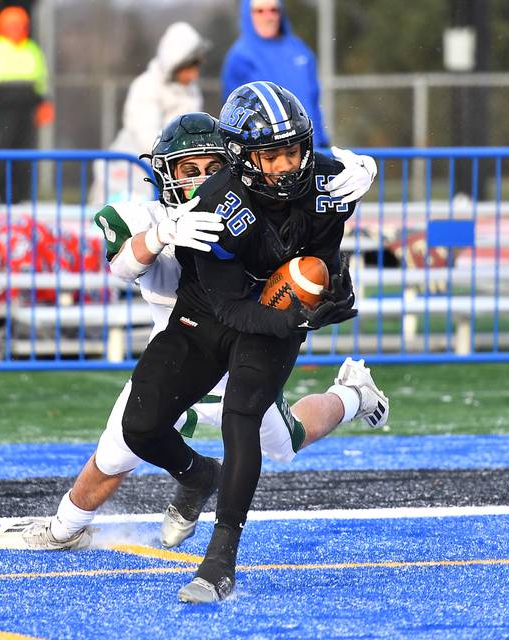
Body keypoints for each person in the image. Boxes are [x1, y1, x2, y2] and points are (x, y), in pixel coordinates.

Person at [0, 111, 387, 557]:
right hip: (182, 348)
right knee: (121, 444)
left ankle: (353, 394)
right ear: (166, 174)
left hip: (243, 342)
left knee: (283, 443)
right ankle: (69, 526)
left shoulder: (253, 204)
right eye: (190, 170)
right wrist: (162, 234)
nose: (202, 180)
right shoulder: (144, 215)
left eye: (214, 169)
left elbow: (300, 177)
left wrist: (355, 169)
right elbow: (123, 265)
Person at [116, 81, 376, 604]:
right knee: (138, 426)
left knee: (243, 420)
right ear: (241, 155)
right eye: (272, 153)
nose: (287, 164)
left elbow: (325, 253)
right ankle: (199, 475)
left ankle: (219, 562)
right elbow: (229, 305)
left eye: (294, 150)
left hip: (272, 313)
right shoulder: (218, 201)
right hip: (214, 312)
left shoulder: (325, 180)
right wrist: (294, 321)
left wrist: (327, 286)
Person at [88, 22, 210, 207]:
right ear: (176, 64)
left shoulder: (191, 91)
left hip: (170, 173)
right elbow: (149, 140)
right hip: (132, 173)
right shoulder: (146, 86)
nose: (194, 74)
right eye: (190, 66)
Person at [0, 5, 54, 204]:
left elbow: (40, 81)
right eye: (13, 24)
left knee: (24, 157)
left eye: (21, 25)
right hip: (0, 109)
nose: (18, 28)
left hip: (26, 110)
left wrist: (44, 103)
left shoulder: (32, 49)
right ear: (2, 25)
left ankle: (20, 198)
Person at [221, 0, 329, 147]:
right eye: (260, 11)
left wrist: (321, 139)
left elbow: (314, 100)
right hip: (268, 150)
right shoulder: (240, 56)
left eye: (273, 10)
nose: (268, 17)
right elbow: (234, 112)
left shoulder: (299, 49)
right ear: (248, 14)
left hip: (309, 143)